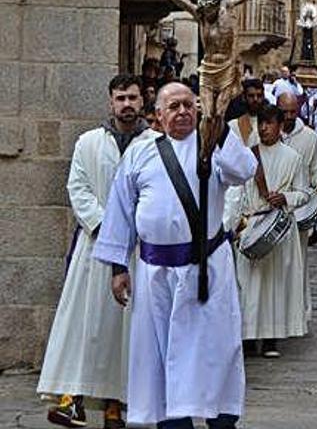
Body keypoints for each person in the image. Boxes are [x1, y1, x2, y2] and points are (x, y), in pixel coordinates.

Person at [92, 82, 257, 428]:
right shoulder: (140, 153)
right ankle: (172, 422)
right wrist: (118, 267)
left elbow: (245, 171)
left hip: (207, 271)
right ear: (158, 115)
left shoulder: (213, 146)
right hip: (157, 275)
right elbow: (120, 211)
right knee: (160, 354)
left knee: (216, 352)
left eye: (188, 105)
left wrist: (220, 127)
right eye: (174, 106)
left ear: (197, 110)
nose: (182, 112)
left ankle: (220, 420)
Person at [38, 74, 157, 429]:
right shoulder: (88, 142)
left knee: (125, 331)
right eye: (120, 98)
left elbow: (158, 194)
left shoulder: (156, 145)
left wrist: (133, 229)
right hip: (95, 249)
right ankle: (72, 399)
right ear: (110, 102)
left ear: (142, 102)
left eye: (133, 98)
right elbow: (78, 188)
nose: (127, 105)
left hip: (137, 251)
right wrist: (109, 229)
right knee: (86, 325)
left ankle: (115, 404)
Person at [225, 105, 311, 358]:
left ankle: (272, 338)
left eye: (269, 123)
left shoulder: (293, 158)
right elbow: (237, 191)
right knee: (249, 284)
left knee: (275, 284)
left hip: (280, 227)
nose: (263, 128)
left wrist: (285, 197)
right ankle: (249, 337)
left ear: (279, 125)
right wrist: (237, 221)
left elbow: (304, 194)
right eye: (260, 123)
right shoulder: (248, 156)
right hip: (252, 224)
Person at [278, 91, 317, 280]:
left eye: (293, 112)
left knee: (298, 262)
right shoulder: (267, 134)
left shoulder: (310, 137)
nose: (289, 116)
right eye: (284, 112)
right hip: (273, 207)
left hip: (300, 208)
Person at [226, 78, 265, 147]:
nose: (255, 99)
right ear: (244, 97)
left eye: (259, 96)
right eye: (251, 96)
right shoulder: (233, 125)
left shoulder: (269, 124)